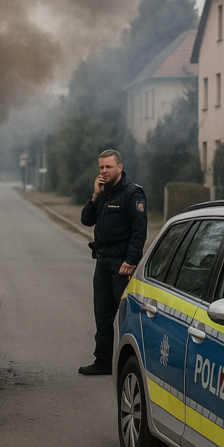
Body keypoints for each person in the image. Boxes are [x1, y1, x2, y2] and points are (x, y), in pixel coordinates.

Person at [79, 150, 147, 375]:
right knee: (102, 313)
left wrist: (131, 260)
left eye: (108, 167)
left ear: (120, 167)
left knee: (126, 316)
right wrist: (94, 195)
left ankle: (130, 363)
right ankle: (103, 361)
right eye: (101, 168)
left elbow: (139, 231)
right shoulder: (104, 193)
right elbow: (86, 220)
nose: (104, 171)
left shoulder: (132, 194)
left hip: (122, 265)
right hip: (103, 262)